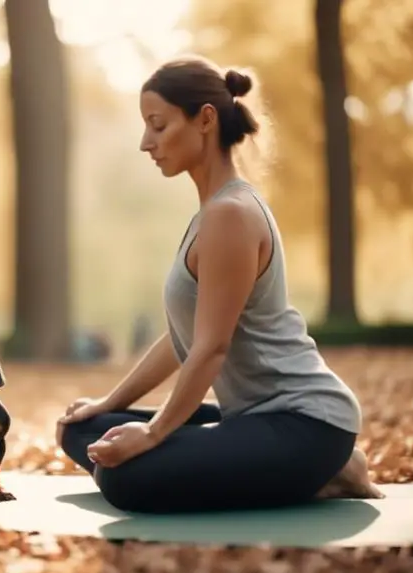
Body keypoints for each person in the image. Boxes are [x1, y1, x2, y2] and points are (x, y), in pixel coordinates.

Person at [56, 55, 384, 514]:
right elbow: (183, 340)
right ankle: (265, 469)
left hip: (305, 423)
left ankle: (329, 469)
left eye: (158, 125)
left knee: (122, 476)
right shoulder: (210, 214)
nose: (145, 143)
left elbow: (210, 348)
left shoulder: (230, 216)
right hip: (251, 419)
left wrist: (153, 434)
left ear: (205, 119)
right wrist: (109, 402)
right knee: (83, 430)